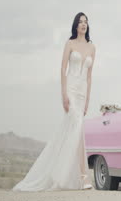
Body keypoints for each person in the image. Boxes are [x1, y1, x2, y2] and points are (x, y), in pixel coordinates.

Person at [13, 12, 96, 191]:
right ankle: (83, 177)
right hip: (71, 91)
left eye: (86, 22)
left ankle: (62, 173)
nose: (83, 24)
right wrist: (63, 95)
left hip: (82, 94)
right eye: (80, 22)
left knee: (74, 131)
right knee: (78, 129)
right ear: (75, 25)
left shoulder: (92, 47)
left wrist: (88, 100)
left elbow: (89, 77)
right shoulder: (70, 43)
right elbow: (62, 68)